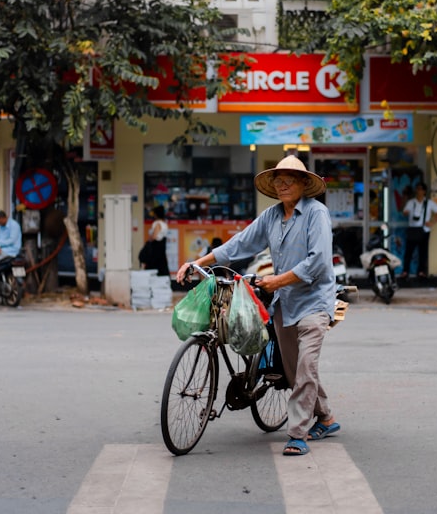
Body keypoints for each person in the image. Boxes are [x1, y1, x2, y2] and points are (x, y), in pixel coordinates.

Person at [175, 155, 338, 457]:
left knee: (305, 366)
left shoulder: (317, 214)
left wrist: (277, 281)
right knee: (293, 371)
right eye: (278, 179)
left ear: (304, 183)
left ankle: (297, 434)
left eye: (290, 178)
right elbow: (238, 244)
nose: (283, 184)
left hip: (315, 301)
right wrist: (197, 262)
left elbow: (317, 262)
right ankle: (326, 417)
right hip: (285, 304)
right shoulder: (271, 216)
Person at [401, 182, 437, 278]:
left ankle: (421, 271)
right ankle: (405, 271)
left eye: (420, 189)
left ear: (424, 191)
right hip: (412, 229)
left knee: (422, 252)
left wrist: (432, 222)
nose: (418, 191)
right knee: (408, 252)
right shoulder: (411, 202)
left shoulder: (429, 203)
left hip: (424, 230)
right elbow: (405, 212)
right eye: (417, 189)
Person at [143, 205, 170, 276]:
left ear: (156, 214)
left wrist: (149, 239)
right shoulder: (165, 224)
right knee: (162, 267)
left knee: (152, 267)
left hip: (155, 249)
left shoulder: (157, 223)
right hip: (162, 248)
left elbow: (154, 236)